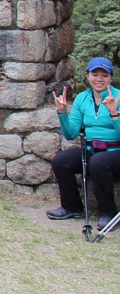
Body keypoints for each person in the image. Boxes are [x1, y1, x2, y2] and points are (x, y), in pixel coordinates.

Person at [48, 57, 120, 229]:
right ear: (88, 75)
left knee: (98, 162)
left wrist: (114, 114)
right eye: (95, 74)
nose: (99, 79)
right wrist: (62, 113)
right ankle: (72, 207)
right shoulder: (82, 98)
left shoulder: (118, 97)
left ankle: (108, 213)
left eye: (104, 75)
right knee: (61, 160)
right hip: (93, 150)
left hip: (115, 154)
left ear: (111, 77)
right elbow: (71, 134)